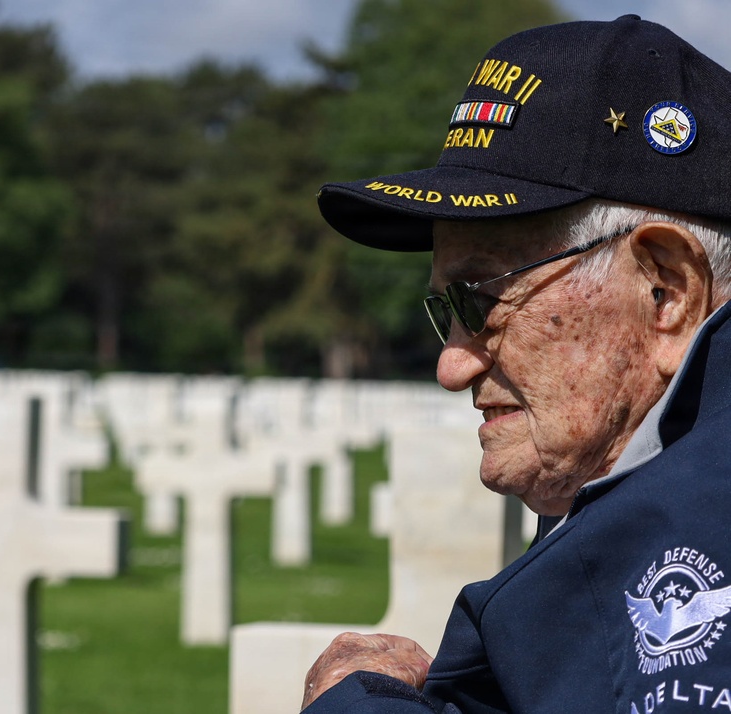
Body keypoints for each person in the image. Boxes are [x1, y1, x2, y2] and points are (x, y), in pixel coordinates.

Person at [302, 14, 731, 713]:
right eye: (445, 313)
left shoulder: (688, 547)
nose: (452, 367)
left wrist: (352, 701)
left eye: (481, 302)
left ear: (666, 292)